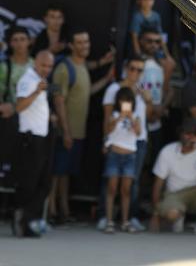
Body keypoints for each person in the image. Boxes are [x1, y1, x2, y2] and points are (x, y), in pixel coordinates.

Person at [49, 28, 113, 225]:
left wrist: (105, 79)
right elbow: (59, 101)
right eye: (80, 43)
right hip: (65, 133)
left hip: (78, 132)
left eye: (86, 42)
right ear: (71, 46)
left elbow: (85, 92)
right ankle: (51, 212)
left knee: (65, 173)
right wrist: (66, 132)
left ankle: (64, 211)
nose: (85, 46)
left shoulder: (82, 65)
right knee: (55, 174)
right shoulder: (63, 68)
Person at [98, 55, 153, 232]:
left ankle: (129, 218)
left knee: (132, 182)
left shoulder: (142, 90)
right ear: (125, 69)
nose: (135, 73)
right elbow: (107, 117)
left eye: (139, 70)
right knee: (110, 181)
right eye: (132, 68)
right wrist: (105, 140)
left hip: (138, 140)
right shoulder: (114, 89)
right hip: (116, 141)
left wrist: (148, 100)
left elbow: (149, 117)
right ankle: (104, 217)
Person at [150, 120, 196, 237]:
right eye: (187, 133)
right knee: (172, 214)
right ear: (180, 134)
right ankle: (178, 216)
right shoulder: (167, 151)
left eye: (194, 134)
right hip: (174, 194)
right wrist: (155, 212)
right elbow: (158, 183)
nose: (190, 137)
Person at [12, 51, 55, 237]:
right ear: (35, 63)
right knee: (29, 184)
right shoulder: (28, 80)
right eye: (43, 65)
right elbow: (19, 106)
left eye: (49, 66)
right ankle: (22, 220)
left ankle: (28, 218)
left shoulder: (40, 81)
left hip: (42, 138)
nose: (46, 69)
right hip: (30, 140)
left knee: (44, 183)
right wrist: (37, 91)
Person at [102, 87, 142, 234]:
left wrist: (130, 117)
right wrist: (120, 117)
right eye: (123, 100)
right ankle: (109, 220)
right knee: (112, 188)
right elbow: (109, 130)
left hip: (129, 156)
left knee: (126, 190)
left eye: (129, 101)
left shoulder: (136, 116)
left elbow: (138, 132)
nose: (126, 103)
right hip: (115, 154)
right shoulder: (114, 114)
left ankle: (125, 221)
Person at [0, 27, 34, 184]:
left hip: (33, 122)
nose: (20, 43)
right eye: (15, 40)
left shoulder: (36, 65)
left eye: (23, 39)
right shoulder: (4, 66)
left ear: (29, 41)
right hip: (10, 124)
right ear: (10, 43)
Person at [138, 28, 172, 159]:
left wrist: (162, 108)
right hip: (140, 121)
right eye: (149, 41)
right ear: (141, 41)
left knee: (154, 162)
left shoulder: (162, 65)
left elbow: (170, 91)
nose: (154, 44)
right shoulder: (135, 64)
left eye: (157, 42)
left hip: (157, 121)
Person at [129, 0, 175, 80]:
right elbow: (134, 37)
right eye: (145, 0)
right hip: (143, 51)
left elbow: (160, 37)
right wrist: (139, 55)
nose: (147, 3)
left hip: (155, 51)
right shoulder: (137, 17)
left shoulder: (156, 16)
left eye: (150, 0)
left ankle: (164, 89)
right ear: (139, 1)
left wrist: (167, 55)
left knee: (170, 64)